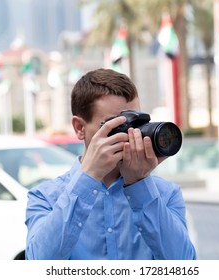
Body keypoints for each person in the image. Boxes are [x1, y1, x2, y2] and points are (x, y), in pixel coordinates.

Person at [25, 68, 196, 260]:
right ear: (80, 128)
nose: (132, 134)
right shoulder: (45, 197)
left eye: (137, 123)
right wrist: (88, 178)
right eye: (117, 125)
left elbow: (184, 263)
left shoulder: (165, 194)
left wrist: (140, 185)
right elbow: (38, 262)